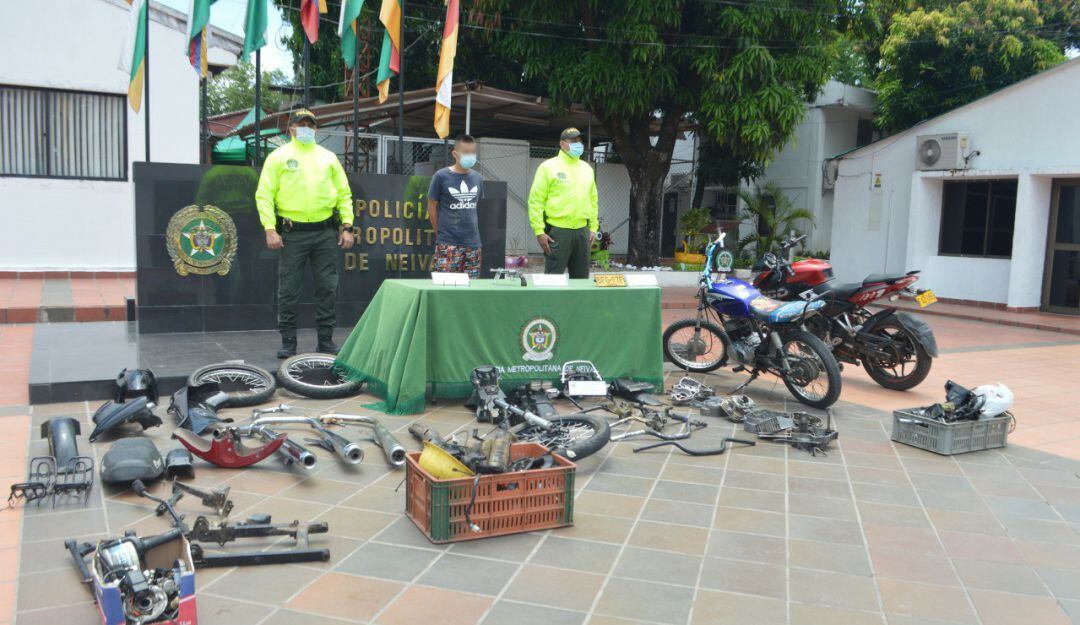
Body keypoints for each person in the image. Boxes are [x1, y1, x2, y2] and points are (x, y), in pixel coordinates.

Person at [255, 109, 355, 358]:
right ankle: (288, 341)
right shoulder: (278, 156)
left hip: (324, 232)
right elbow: (264, 194)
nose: (306, 129)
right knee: (289, 289)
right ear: (291, 129)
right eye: (301, 124)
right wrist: (269, 228)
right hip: (292, 233)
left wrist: (347, 226)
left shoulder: (329, 157)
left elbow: (344, 193)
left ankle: (325, 340)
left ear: (316, 129)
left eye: (310, 125)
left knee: (327, 288)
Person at [527, 127, 599, 279]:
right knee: (552, 280)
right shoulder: (548, 167)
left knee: (581, 280)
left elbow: (593, 200)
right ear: (562, 144)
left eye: (580, 141)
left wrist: (593, 227)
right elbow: (536, 200)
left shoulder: (587, 168)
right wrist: (539, 231)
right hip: (557, 232)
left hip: (582, 231)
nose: (578, 144)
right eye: (573, 141)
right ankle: (549, 304)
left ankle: (578, 304)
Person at [427, 134, 484, 277]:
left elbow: (475, 205)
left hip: (473, 245)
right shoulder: (440, 176)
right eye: (466, 152)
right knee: (444, 287)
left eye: (473, 152)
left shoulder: (478, 178)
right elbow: (431, 206)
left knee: (471, 289)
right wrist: (439, 233)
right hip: (448, 244)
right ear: (455, 154)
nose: (470, 156)